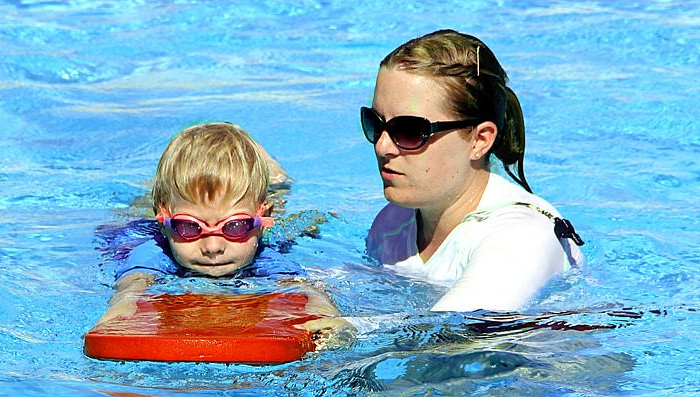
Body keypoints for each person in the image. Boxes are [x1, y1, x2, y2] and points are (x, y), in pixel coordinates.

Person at [362, 30, 584, 313]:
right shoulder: (393, 223)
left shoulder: (522, 235)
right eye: (375, 123)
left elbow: (449, 335)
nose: (382, 147)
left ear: (479, 141)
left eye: (408, 130)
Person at [95, 122, 339, 327]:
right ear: (164, 224)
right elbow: (134, 283)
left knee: (284, 199)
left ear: (261, 225)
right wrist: (123, 306)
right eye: (189, 227)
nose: (213, 246)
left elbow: (303, 287)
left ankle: (274, 173)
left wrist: (326, 314)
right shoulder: (155, 252)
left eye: (235, 226)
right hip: (146, 222)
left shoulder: (266, 255)